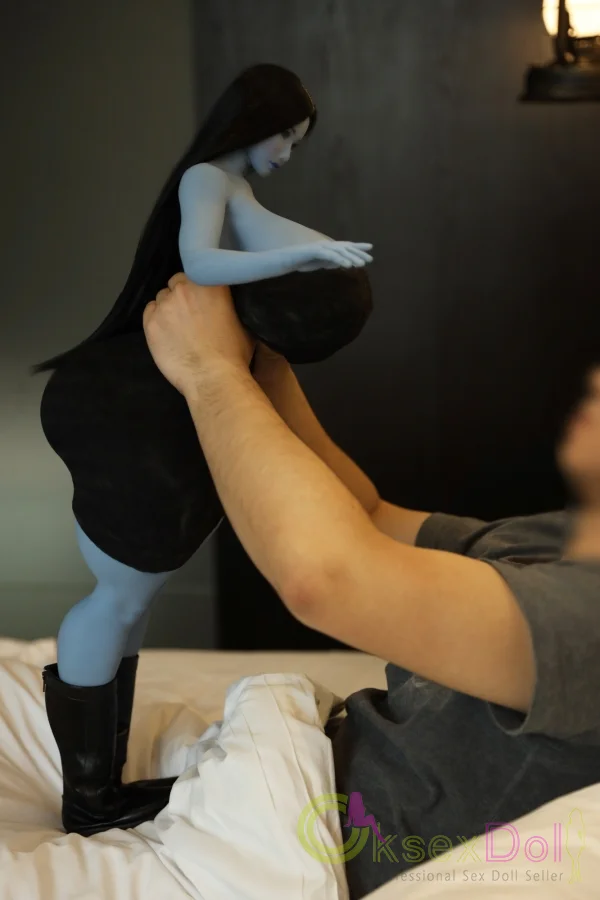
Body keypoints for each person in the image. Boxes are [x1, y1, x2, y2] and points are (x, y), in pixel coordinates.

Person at [142, 272, 600, 899]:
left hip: (292, 853)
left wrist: (209, 371)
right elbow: (371, 517)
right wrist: (259, 361)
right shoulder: (561, 542)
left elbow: (327, 578)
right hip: (291, 779)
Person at [30, 62, 372, 837]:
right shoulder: (205, 180)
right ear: (253, 122)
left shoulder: (237, 189)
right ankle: (89, 798)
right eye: (285, 136)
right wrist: (302, 259)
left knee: (133, 599)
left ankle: (101, 784)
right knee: (118, 597)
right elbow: (203, 261)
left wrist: (323, 254)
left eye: (297, 141)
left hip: (158, 404)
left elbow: (265, 247)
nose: (288, 152)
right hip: (130, 406)